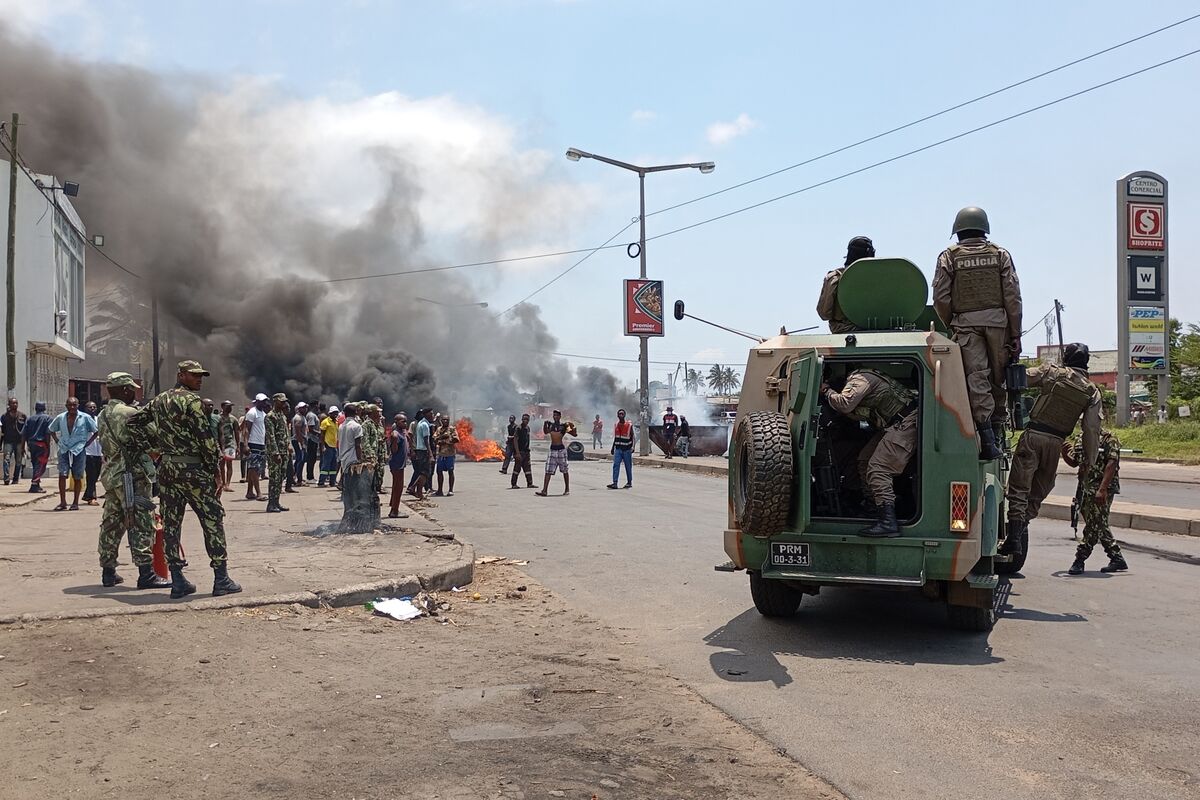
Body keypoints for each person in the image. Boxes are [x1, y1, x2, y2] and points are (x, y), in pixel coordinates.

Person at [127, 360, 241, 599]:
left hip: (168, 469)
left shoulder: (159, 400)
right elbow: (206, 438)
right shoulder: (192, 402)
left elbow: (133, 423)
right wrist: (216, 471)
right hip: (194, 470)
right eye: (194, 375)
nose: (199, 379)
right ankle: (221, 578)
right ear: (181, 375)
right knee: (212, 520)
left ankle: (177, 580)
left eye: (201, 375)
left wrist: (153, 447)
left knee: (171, 524)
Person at [932, 207, 1022, 460]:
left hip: (966, 326)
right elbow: (1013, 297)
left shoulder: (948, 257)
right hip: (999, 326)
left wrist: (954, 322)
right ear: (984, 229)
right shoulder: (1000, 254)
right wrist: (1015, 334)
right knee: (999, 379)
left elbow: (940, 297)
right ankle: (997, 433)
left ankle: (987, 441)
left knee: (976, 379)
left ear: (958, 232)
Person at [1002, 343, 1102, 559]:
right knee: (1038, 491)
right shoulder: (1092, 391)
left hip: (1034, 437)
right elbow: (1091, 429)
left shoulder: (1053, 372)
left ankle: (1014, 538)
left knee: (1019, 489)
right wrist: (1090, 461)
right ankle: (1019, 532)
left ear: (1065, 358)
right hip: (1056, 443)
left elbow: (1021, 378)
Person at [820, 366, 918, 536]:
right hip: (894, 424)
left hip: (906, 422)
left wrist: (827, 391)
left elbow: (844, 403)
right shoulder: (864, 382)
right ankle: (874, 507)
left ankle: (888, 521)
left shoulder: (859, 379)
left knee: (878, 469)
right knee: (865, 459)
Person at [95, 372, 170, 590]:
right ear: (125, 390)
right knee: (141, 523)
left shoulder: (103, 414)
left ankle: (108, 571)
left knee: (112, 522)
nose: (134, 392)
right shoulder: (131, 413)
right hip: (133, 476)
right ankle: (146, 574)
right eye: (132, 389)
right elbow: (156, 441)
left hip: (112, 475)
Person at [1064, 428, 1128, 575]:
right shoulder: (1081, 437)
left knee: (1094, 524)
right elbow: (1075, 462)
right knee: (1099, 523)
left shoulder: (1108, 438)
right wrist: (1064, 453)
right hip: (1085, 488)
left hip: (1101, 489)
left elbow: (1112, 464)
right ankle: (1116, 557)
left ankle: (1079, 559)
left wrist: (1102, 489)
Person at [817, 235, 876, 334]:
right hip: (877, 329)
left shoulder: (834, 278)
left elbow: (824, 313)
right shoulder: (882, 278)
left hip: (844, 331)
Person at [49, 396, 97, 512]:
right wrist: (58, 441)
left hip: (79, 449)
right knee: (62, 474)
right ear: (66, 406)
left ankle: (75, 503)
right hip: (64, 449)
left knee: (77, 476)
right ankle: (63, 502)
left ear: (78, 405)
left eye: (74, 405)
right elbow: (51, 430)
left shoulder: (84, 418)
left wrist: (87, 444)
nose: (72, 407)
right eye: (70, 405)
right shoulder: (60, 418)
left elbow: (96, 431)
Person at [537, 410, 576, 497]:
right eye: (554, 415)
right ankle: (544, 490)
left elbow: (574, 434)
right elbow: (546, 432)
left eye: (557, 416)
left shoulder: (564, 426)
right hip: (552, 450)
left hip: (561, 450)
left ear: (560, 416)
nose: (555, 417)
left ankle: (567, 489)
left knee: (565, 470)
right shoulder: (551, 425)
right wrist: (544, 425)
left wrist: (572, 426)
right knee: (548, 471)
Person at [264, 393, 291, 512]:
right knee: (274, 478)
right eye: (281, 401)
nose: (284, 403)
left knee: (281, 477)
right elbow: (271, 436)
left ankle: (277, 502)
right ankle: (271, 504)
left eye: (284, 401)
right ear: (275, 402)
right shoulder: (270, 416)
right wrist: (275, 453)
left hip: (284, 451)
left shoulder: (282, 416)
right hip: (275, 453)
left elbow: (286, 432)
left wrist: (289, 444)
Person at [241, 393, 269, 500]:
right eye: (262, 401)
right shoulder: (252, 413)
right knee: (254, 468)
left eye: (265, 401)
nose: (264, 403)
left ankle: (249, 492)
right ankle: (258, 493)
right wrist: (245, 444)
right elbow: (246, 430)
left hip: (260, 444)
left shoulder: (262, 413)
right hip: (253, 444)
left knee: (254, 468)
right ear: (257, 401)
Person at [22, 401, 52, 493]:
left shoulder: (30, 419)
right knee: (40, 465)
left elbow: (23, 433)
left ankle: (37, 483)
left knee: (35, 463)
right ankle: (34, 485)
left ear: (35, 408)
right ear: (44, 408)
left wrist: (23, 446)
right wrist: (48, 446)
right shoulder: (48, 419)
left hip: (31, 444)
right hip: (41, 444)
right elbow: (47, 433)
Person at [80, 400, 103, 506]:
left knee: (96, 474)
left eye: (94, 407)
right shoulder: (82, 420)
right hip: (88, 451)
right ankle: (91, 497)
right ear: (85, 409)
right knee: (91, 475)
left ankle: (87, 495)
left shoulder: (99, 420)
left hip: (98, 451)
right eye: (90, 407)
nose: (92, 409)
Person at [387, 413, 409, 518]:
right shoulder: (395, 434)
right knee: (398, 487)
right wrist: (394, 441)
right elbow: (394, 450)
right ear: (396, 422)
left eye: (405, 421)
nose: (405, 423)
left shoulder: (402, 432)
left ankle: (394, 506)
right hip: (397, 464)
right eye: (403, 421)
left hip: (400, 463)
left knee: (397, 486)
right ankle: (394, 511)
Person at [408, 408, 433, 500]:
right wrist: (430, 453)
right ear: (426, 415)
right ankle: (417, 490)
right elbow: (426, 440)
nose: (432, 415)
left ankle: (415, 489)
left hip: (419, 450)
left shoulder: (420, 423)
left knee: (422, 472)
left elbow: (432, 424)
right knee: (425, 473)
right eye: (431, 413)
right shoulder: (425, 425)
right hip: (424, 450)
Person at [607, 408, 634, 489]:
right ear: (617, 415)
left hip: (626, 449)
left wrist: (633, 447)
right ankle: (615, 483)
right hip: (618, 449)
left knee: (628, 466)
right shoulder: (616, 425)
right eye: (619, 414)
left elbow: (633, 437)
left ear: (624, 415)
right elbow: (616, 437)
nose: (621, 415)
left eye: (622, 414)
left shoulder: (629, 425)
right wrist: (612, 448)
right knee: (616, 465)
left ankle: (629, 482)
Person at [2, 397, 26, 485]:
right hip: (8, 441)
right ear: (9, 404)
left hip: (19, 442)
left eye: (16, 403)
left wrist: (24, 444)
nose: (14, 405)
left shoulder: (22, 416)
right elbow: (2, 431)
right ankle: (6, 478)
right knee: (6, 460)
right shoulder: (4, 416)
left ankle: (15, 479)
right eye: (13, 403)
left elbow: (25, 430)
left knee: (18, 461)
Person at [217, 400, 240, 493]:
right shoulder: (218, 418)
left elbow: (237, 433)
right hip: (220, 444)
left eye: (231, 406)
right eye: (228, 406)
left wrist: (238, 446)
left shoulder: (233, 419)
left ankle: (228, 484)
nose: (230, 408)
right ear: (222, 407)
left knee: (229, 464)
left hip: (230, 444)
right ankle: (222, 483)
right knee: (221, 465)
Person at [434, 415, 460, 497]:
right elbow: (434, 439)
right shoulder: (439, 429)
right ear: (441, 420)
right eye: (444, 420)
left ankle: (450, 490)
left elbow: (457, 439)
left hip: (450, 454)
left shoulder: (452, 429)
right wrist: (441, 437)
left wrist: (448, 440)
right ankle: (440, 490)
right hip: (441, 454)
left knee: (450, 472)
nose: (445, 421)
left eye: (447, 420)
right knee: (439, 472)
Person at [510, 413, 534, 489]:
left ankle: (530, 483)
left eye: (527, 419)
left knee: (528, 468)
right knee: (517, 468)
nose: (525, 421)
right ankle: (514, 484)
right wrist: (517, 453)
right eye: (524, 419)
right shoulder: (518, 428)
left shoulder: (528, 428)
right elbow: (515, 440)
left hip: (526, 452)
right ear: (522, 419)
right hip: (520, 452)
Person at [319, 405, 340, 487]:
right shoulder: (325, 422)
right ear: (330, 413)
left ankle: (332, 482)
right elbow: (322, 435)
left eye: (336, 413)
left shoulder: (337, 422)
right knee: (326, 465)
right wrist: (323, 446)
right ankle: (321, 482)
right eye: (334, 413)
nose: (335, 414)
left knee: (333, 465)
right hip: (327, 445)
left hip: (334, 446)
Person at [370, 404, 388, 497]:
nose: (380, 414)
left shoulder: (380, 426)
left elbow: (383, 436)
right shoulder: (368, 425)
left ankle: (379, 486)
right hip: (373, 453)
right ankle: (373, 489)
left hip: (380, 451)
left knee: (381, 470)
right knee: (373, 471)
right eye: (378, 412)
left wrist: (385, 452)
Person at [291, 402, 310, 488]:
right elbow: (298, 432)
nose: (305, 409)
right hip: (298, 441)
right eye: (303, 407)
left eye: (305, 407)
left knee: (300, 459)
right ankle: (298, 479)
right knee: (300, 460)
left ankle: (294, 477)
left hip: (301, 440)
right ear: (299, 409)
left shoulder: (302, 417)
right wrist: (301, 443)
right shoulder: (298, 418)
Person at [304, 402, 320, 482]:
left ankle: (310, 476)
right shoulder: (311, 416)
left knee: (312, 459)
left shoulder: (312, 415)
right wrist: (319, 434)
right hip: (312, 439)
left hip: (313, 439)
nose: (318, 407)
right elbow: (310, 429)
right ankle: (310, 477)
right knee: (311, 458)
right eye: (317, 405)